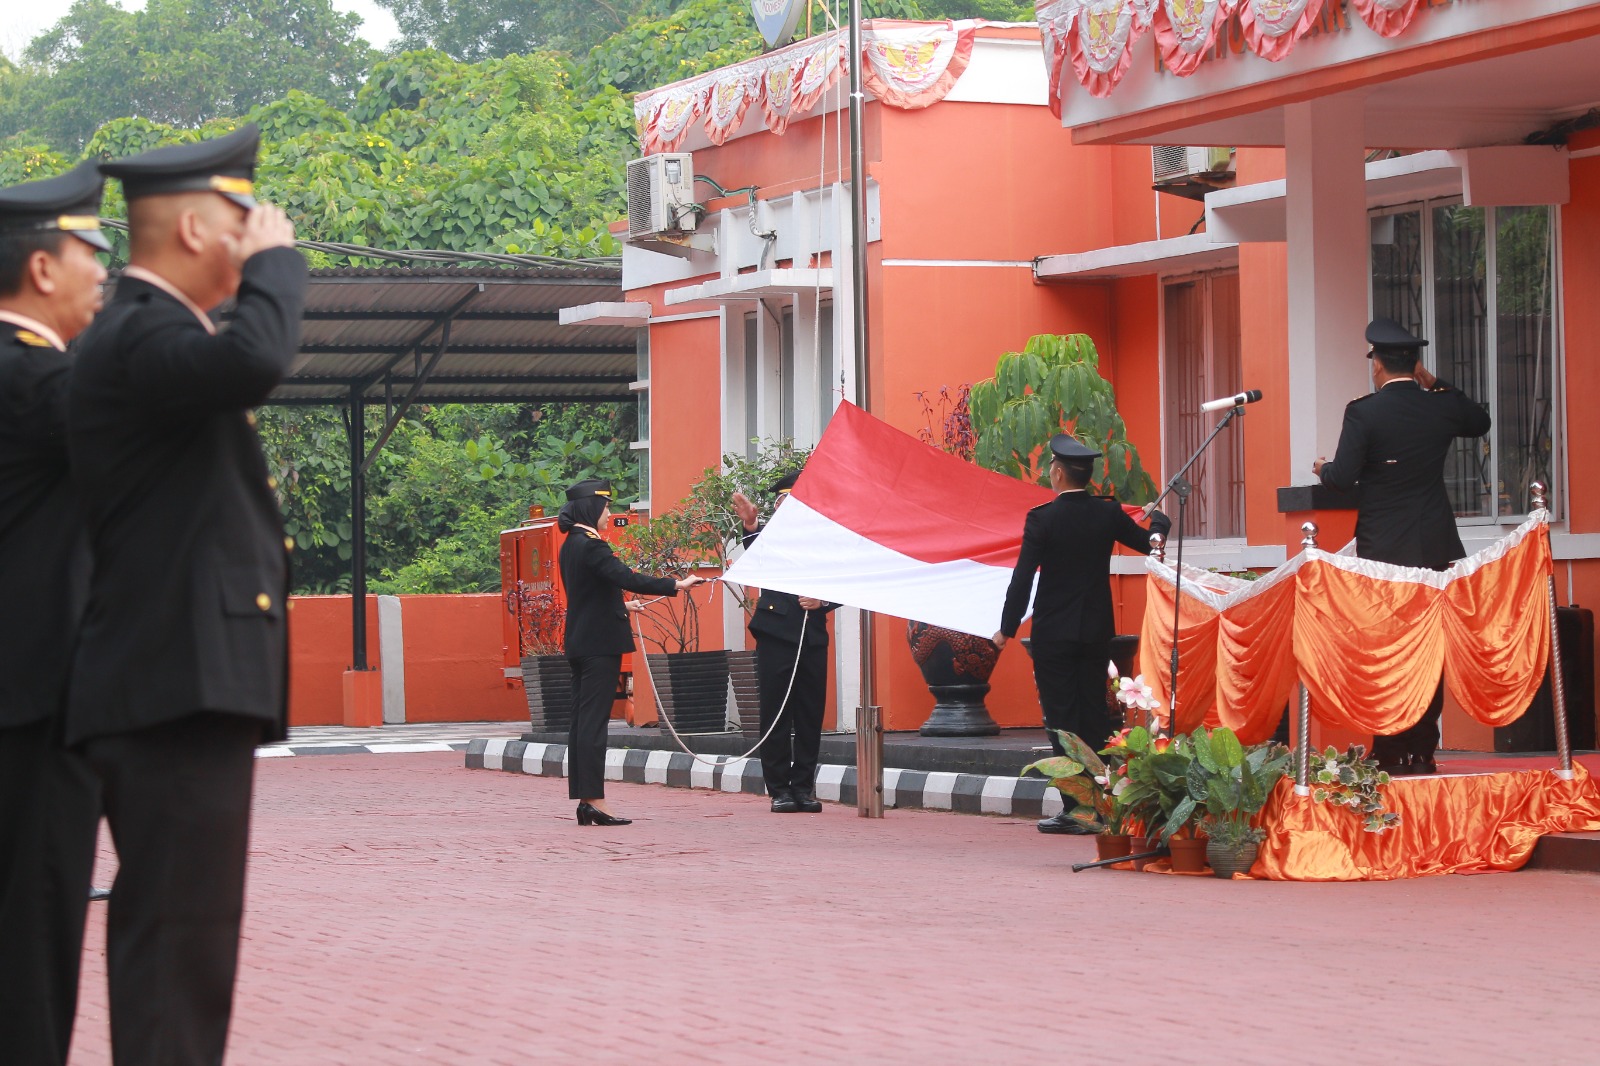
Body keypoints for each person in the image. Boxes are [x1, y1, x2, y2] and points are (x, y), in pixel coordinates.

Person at [64, 124, 306, 1064]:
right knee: (178, 945)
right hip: (172, 679)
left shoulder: (142, 333)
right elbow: (256, 361)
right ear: (202, 229)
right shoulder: (139, 331)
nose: (259, 236)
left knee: (184, 943)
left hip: (173, 675)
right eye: (244, 220)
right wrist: (277, 267)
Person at [0, 162, 111, 1065]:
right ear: (42, 270)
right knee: (33, 950)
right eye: (95, 252)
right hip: (32, 711)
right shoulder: (38, 383)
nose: (105, 274)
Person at [1313, 317, 1492, 776]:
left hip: (1383, 552)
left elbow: (1341, 479)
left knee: (1387, 648)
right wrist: (1435, 383)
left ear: (1376, 364)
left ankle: (1389, 749)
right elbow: (1480, 421)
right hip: (1432, 547)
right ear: (1415, 364)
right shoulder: (1439, 406)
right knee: (1429, 646)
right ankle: (1423, 749)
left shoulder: (1364, 412)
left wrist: (1321, 467)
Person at [993, 435, 1170, 835]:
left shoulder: (1042, 518)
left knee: (1061, 720)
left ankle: (1077, 808)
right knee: (1093, 715)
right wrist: (1159, 522)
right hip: (1094, 632)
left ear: (1057, 473)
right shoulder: (1106, 514)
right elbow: (1152, 547)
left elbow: (1022, 580)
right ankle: (1106, 802)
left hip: (1053, 634)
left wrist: (1006, 629)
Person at [558, 478, 703, 826]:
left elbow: (593, 593)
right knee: (593, 726)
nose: (609, 514)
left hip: (581, 641)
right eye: (606, 507)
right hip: (599, 646)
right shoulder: (593, 546)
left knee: (582, 724)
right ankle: (594, 800)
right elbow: (626, 576)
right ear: (592, 509)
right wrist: (675, 584)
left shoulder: (571, 545)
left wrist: (625, 607)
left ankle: (585, 798)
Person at [732, 472, 838, 814]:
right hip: (776, 634)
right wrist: (750, 526)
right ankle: (778, 788)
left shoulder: (825, 541)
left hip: (812, 635)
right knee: (776, 713)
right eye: (785, 503)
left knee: (809, 715)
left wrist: (823, 601)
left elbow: (846, 582)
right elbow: (756, 554)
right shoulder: (770, 540)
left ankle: (803, 788)